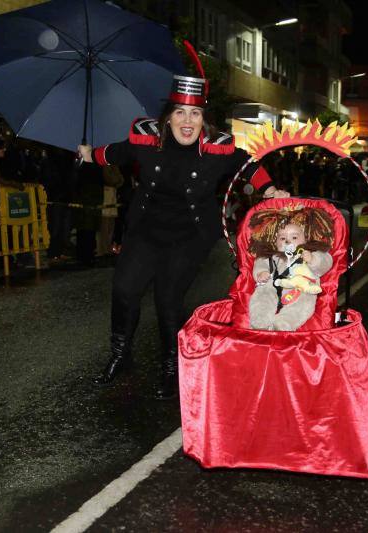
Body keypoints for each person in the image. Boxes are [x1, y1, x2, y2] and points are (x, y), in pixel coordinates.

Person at [78, 62, 288, 399]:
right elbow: (114, 152)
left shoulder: (218, 148)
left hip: (189, 235)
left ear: (203, 119)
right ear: (168, 117)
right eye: (180, 113)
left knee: (167, 299)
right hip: (145, 230)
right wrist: (90, 155)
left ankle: (171, 368)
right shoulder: (146, 139)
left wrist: (269, 190)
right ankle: (121, 356)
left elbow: (248, 165)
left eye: (194, 114)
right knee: (125, 290)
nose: (187, 122)